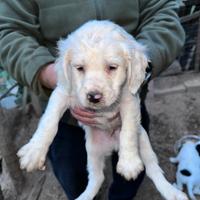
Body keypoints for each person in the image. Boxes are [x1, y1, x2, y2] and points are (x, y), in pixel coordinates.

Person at [0, 1, 185, 200]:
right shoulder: (67, 66)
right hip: (67, 120)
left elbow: (162, 14)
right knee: (73, 175)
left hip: (128, 104)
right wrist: (50, 74)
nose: (94, 93)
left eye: (111, 67)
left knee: (131, 169)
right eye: (81, 67)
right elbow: (8, 31)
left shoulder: (132, 64)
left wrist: (140, 72)